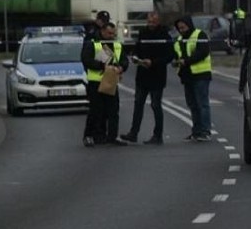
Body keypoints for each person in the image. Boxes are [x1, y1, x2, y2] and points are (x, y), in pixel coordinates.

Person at [121, 11, 173, 145]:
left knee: (156, 105)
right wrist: (135, 57)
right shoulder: (143, 33)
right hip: (142, 75)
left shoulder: (164, 35)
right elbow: (137, 48)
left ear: (158, 22)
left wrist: (153, 62)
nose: (150, 24)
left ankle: (158, 135)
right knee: (138, 104)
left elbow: (169, 56)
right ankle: (133, 133)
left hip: (157, 75)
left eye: (153, 22)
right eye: (149, 22)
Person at [81, 21, 129, 146]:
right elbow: (86, 60)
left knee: (113, 110)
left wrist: (121, 68)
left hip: (111, 81)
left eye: (113, 33)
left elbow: (124, 60)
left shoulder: (116, 44)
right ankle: (91, 135)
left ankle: (112, 136)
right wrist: (102, 66)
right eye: (109, 33)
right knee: (96, 110)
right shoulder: (93, 43)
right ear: (102, 31)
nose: (111, 36)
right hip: (96, 81)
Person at [173, 15, 213, 142]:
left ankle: (205, 131)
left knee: (202, 104)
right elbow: (177, 55)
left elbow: (202, 52)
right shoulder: (179, 40)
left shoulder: (199, 35)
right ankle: (196, 131)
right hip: (187, 76)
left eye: (183, 27)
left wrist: (186, 61)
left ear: (189, 24)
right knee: (192, 105)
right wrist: (176, 62)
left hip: (200, 74)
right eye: (179, 28)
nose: (181, 29)